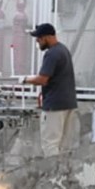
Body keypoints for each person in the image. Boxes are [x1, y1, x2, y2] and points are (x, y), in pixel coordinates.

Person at [18, 23, 78, 158]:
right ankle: (64, 171)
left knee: (50, 144)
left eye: (39, 38)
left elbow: (42, 79)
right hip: (69, 103)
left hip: (54, 106)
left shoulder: (52, 54)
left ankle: (53, 171)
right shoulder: (63, 50)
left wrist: (25, 79)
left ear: (47, 37)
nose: (37, 41)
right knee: (64, 145)